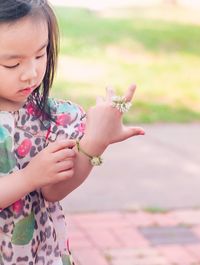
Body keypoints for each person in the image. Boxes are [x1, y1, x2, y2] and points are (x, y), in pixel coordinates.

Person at [0, 0, 145, 264]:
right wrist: (28, 177)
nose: (31, 73)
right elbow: (34, 181)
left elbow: (53, 192)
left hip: (38, 255)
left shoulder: (50, 117)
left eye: (40, 54)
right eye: (12, 64)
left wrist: (94, 143)